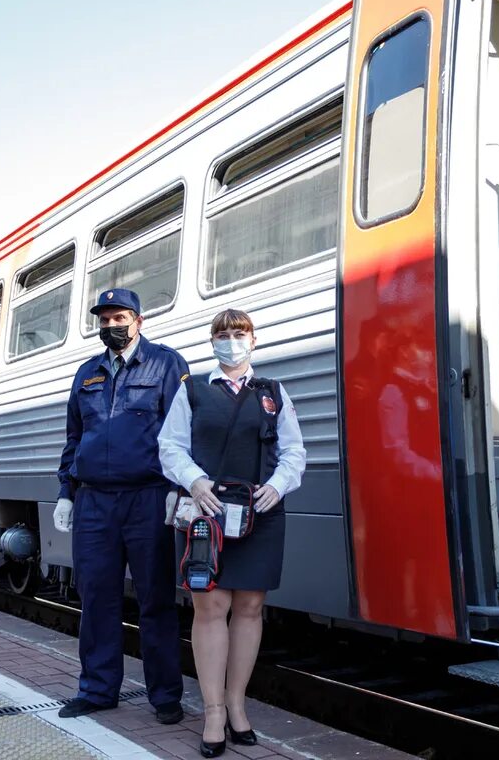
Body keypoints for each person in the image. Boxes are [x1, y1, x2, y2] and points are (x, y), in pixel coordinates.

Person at [158, 308, 306, 757]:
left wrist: (278, 487)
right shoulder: (193, 391)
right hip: (207, 512)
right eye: (222, 334)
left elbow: (294, 452)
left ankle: (238, 704)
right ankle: (214, 711)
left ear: (254, 340)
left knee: (249, 605)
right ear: (212, 342)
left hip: (259, 512)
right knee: (211, 606)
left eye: (239, 333)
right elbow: (170, 446)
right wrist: (196, 482)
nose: (231, 340)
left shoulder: (273, 393)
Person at [52, 288, 188, 723]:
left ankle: (165, 695)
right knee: (96, 598)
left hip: (148, 498)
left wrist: (177, 490)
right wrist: (65, 491)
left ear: (139, 320)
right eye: (104, 319)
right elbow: (75, 437)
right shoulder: (86, 373)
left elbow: (182, 432)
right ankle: (96, 689)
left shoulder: (167, 364)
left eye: (119, 317)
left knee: (156, 599)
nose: (111, 326)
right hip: (94, 502)